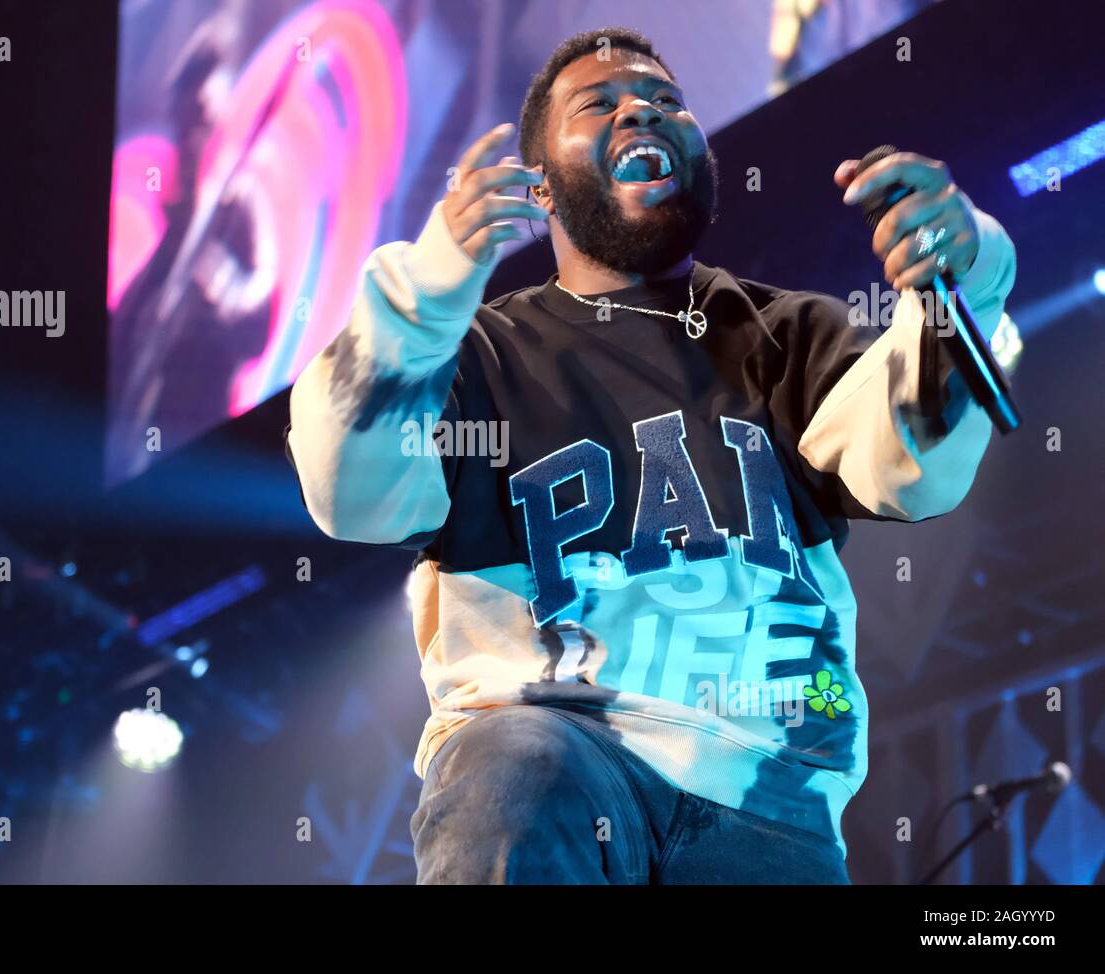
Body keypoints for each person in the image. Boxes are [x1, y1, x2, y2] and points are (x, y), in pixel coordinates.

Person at [284, 27, 1015, 884]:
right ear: (542, 188)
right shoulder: (479, 355)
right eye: (599, 103)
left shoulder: (785, 335)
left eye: (667, 101)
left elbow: (911, 470)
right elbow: (348, 490)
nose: (642, 108)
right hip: (556, 741)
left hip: (772, 790)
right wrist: (425, 300)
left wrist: (963, 276)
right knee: (514, 766)